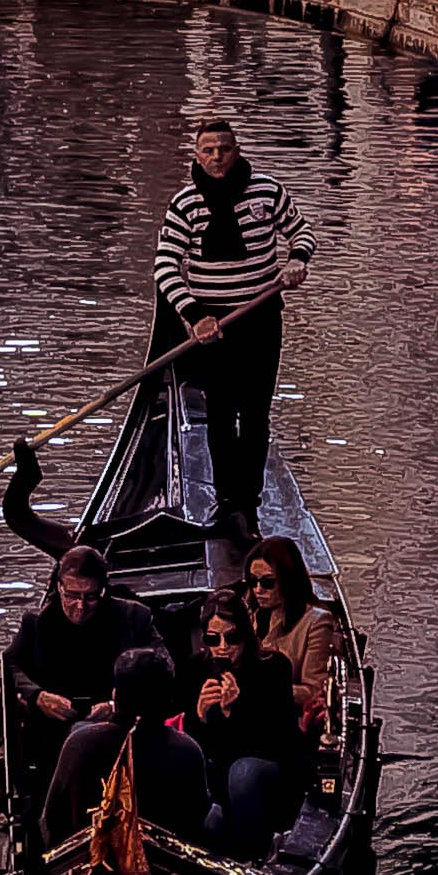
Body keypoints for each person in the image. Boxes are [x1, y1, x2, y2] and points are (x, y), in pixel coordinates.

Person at [148, 113, 313, 557]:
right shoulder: (185, 204)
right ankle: (226, 505)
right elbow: (166, 266)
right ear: (197, 155)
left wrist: (297, 259)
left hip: (260, 318)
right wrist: (195, 314)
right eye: (208, 150)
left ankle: (249, 505)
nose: (217, 157)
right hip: (214, 326)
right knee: (220, 415)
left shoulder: (268, 192)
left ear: (236, 150)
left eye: (224, 148)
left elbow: (302, 232)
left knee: (256, 413)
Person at [41, 647, 210, 875]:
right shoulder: (187, 751)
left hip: (85, 865)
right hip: (161, 871)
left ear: (115, 696)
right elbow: (196, 820)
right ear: (168, 699)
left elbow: (53, 819)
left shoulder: (80, 744)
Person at [178, 597, 311, 852]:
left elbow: (275, 741)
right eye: (213, 639)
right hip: (218, 774)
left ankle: (255, 855)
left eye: (233, 638)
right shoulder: (195, 670)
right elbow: (197, 747)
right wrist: (200, 715)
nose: (224, 647)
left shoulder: (273, 668)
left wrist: (232, 713)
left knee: (243, 772)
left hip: (268, 769)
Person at [2, 530, 149, 744]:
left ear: (102, 591)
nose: (80, 607)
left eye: (89, 597)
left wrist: (116, 706)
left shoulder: (133, 617)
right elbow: (6, 668)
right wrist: (37, 696)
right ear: (60, 588)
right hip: (52, 732)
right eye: (71, 596)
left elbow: (162, 669)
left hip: (117, 728)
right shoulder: (36, 623)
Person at [246, 534, 351, 758]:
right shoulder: (248, 616)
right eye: (252, 581)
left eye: (266, 583)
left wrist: (256, 691)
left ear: (287, 579)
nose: (257, 590)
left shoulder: (315, 622)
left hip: (287, 726)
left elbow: (314, 690)